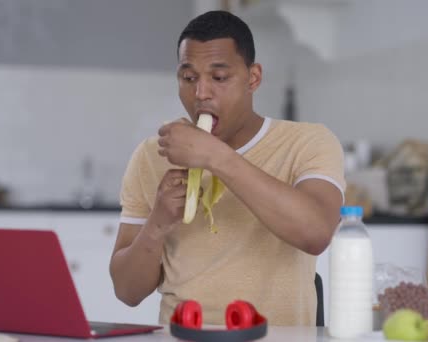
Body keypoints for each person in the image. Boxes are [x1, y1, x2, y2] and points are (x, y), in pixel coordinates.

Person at [109, 10, 345, 326]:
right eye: (188, 78)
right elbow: (127, 291)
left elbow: (316, 232)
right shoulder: (152, 155)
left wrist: (214, 157)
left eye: (219, 78)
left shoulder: (308, 142)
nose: (201, 93)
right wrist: (157, 223)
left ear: (253, 78)